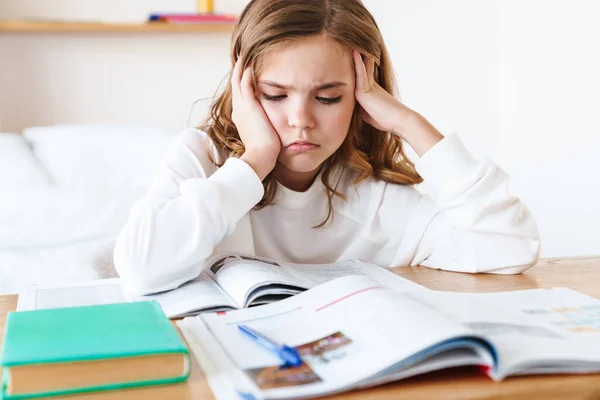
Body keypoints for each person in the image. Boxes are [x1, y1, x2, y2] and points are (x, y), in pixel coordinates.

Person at [114, 0, 540, 295]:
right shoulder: (202, 160)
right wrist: (256, 159)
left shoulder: (375, 199)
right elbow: (140, 270)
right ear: (243, 89)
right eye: (275, 95)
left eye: (328, 97)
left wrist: (408, 123)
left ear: (362, 95)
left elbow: (509, 245)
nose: (301, 119)